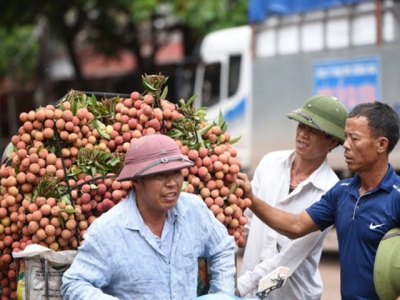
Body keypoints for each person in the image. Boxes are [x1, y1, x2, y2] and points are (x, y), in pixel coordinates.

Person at [237, 101, 400, 300]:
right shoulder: (341, 192)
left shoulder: (396, 197)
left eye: (354, 139)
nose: (345, 145)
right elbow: (296, 225)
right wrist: (251, 199)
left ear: (381, 144)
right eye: (346, 137)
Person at [61, 133, 237, 300]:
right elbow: (75, 283)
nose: (171, 184)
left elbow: (222, 248)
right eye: (159, 175)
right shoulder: (107, 232)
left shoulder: (194, 210)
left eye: (176, 172)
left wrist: (221, 294)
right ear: (136, 181)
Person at [236, 95, 348, 299]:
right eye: (301, 126)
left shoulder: (331, 191)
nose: (303, 135)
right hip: (249, 288)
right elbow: (246, 223)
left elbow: (289, 257)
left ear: (332, 141)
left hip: (292, 295)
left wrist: (241, 287)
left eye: (313, 131)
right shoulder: (270, 162)